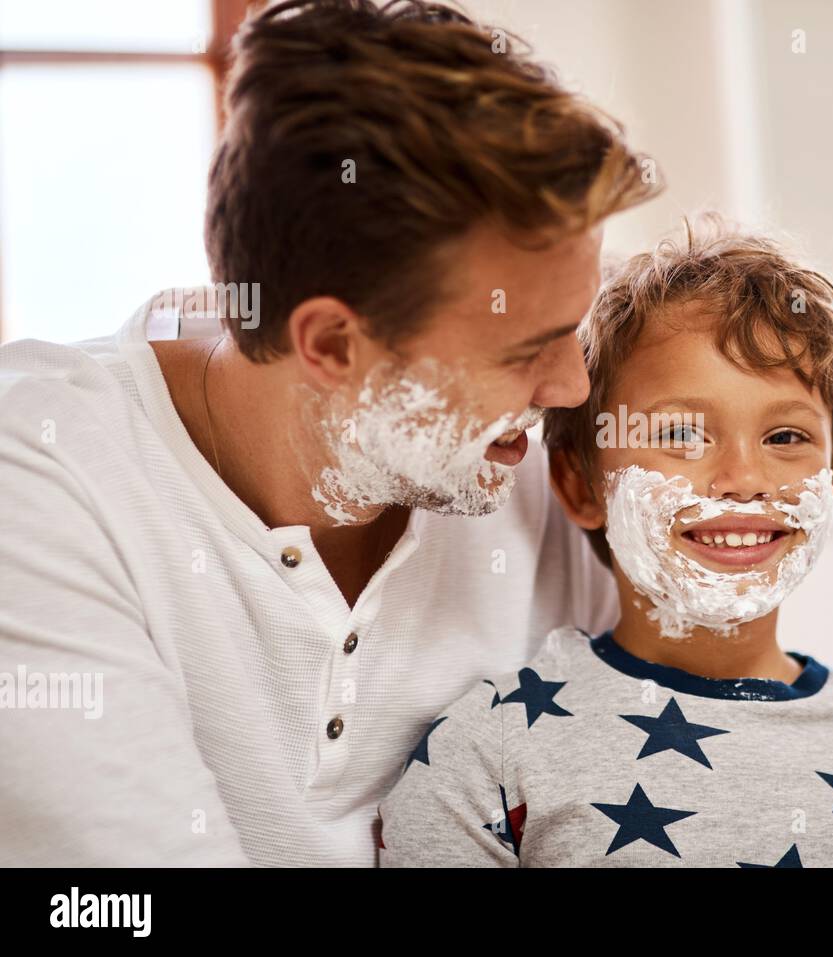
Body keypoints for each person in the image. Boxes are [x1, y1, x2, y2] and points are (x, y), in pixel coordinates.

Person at [0, 0, 659, 866]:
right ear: (332, 345)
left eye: (572, 330)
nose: (571, 385)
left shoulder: (539, 474)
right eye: (526, 349)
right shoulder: (43, 472)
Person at [377, 219, 833, 867]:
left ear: (831, 479)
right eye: (680, 435)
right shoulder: (495, 742)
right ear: (582, 485)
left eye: (785, 437)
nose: (744, 480)